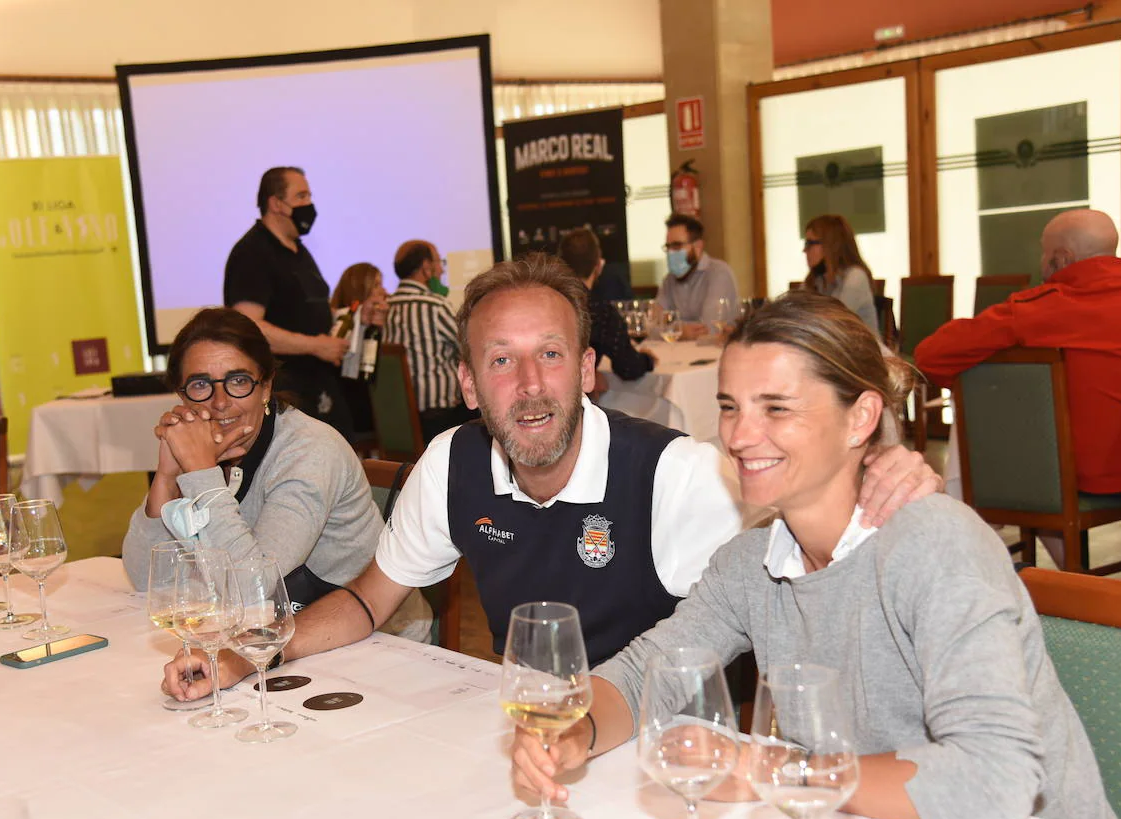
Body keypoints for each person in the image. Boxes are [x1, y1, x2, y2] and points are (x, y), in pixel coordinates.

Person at [161, 256, 939, 701]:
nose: (529, 384)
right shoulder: (454, 464)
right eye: (502, 360)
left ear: (590, 370)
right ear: (467, 383)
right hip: (537, 735)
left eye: (552, 354)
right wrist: (252, 655)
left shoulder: (675, 476)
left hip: (656, 756)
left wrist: (877, 475)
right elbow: (370, 600)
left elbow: (817, 574)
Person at [513, 291, 1121, 819]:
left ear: (860, 417)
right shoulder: (752, 562)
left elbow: (994, 781)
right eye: (730, 407)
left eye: (777, 408)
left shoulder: (935, 545)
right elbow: (651, 671)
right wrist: (577, 731)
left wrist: (765, 768)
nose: (742, 435)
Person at [915, 208, 1121, 586]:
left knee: (1030, 484)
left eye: (1044, 254)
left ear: (1061, 259)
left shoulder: (1037, 310)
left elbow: (931, 355)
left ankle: (1088, 589)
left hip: (1087, 476)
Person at [121, 307, 430, 640]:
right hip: (275, 635)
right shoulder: (205, 455)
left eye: (238, 381)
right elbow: (147, 581)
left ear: (266, 387)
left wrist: (201, 473)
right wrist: (168, 476)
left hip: (377, 645)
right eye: (200, 385)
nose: (220, 402)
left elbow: (250, 590)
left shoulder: (309, 452)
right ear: (182, 397)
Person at [223, 166, 354, 441]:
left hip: (321, 383)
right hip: (285, 390)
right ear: (276, 203)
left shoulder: (299, 250)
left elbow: (307, 308)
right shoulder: (253, 253)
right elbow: (249, 327)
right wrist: (316, 345)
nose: (309, 204)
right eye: (301, 196)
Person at [383, 240, 475, 442]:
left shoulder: (386, 308)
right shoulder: (435, 306)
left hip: (397, 418)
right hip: (439, 418)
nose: (441, 270)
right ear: (426, 267)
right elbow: (470, 350)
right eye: (438, 262)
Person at [557, 227, 652, 383]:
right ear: (598, 265)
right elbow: (628, 367)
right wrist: (648, 360)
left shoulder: (549, 303)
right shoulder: (600, 310)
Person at [328, 262, 389, 445]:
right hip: (349, 410)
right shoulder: (338, 326)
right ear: (360, 290)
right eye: (377, 285)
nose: (384, 291)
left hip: (374, 406)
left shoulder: (378, 324)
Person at [657, 214, 738, 338]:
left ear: (698, 246)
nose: (670, 253)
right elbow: (652, 325)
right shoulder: (669, 280)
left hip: (715, 353)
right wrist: (682, 332)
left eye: (677, 246)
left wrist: (673, 328)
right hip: (679, 353)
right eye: (668, 247)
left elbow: (710, 328)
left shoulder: (718, 273)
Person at [803, 213, 879, 339]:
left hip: (864, 354)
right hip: (835, 351)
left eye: (810, 243)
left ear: (831, 245)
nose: (804, 250)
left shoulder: (855, 277)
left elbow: (835, 325)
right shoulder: (816, 279)